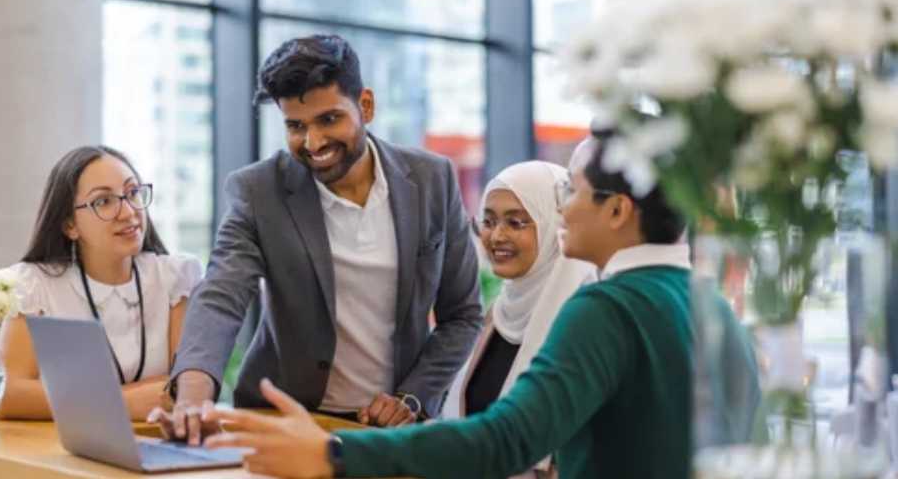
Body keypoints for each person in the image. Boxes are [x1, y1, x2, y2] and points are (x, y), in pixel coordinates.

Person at [194, 128, 759, 479]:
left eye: (575, 192)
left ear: (618, 211)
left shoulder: (604, 309)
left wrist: (335, 455)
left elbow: (507, 441)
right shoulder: (715, 307)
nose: (561, 208)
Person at [152, 34, 482, 440]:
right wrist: (193, 398)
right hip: (286, 420)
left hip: (390, 430)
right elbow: (221, 296)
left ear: (366, 106)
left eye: (328, 119)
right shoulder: (259, 192)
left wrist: (411, 398)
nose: (313, 143)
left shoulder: (433, 180)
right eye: (295, 126)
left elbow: (462, 316)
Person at [0, 146, 202, 421]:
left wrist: (68, 398)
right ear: (70, 225)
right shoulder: (35, 284)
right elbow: (7, 394)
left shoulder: (175, 278)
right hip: (63, 451)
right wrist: (122, 402)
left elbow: (186, 386)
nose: (128, 212)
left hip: (159, 442)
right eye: (104, 201)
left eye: (132, 193)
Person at [441, 161, 596, 478]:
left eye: (515, 222)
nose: (496, 236)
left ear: (554, 225)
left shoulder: (585, 322)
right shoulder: (497, 316)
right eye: (488, 220)